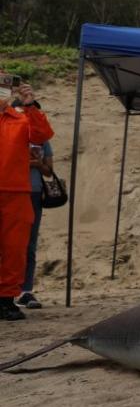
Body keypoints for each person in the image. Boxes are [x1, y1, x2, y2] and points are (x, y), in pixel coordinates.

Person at [0, 79, 54, 321]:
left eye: (3, 87)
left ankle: (5, 299)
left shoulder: (22, 118)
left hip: (17, 193)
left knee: (15, 249)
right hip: (15, 192)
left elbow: (42, 135)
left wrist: (31, 106)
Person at [17, 137, 53, 309]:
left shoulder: (42, 141)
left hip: (34, 193)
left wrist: (37, 164)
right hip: (11, 190)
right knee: (8, 243)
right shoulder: (7, 133)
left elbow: (48, 171)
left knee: (29, 244)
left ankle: (26, 290)